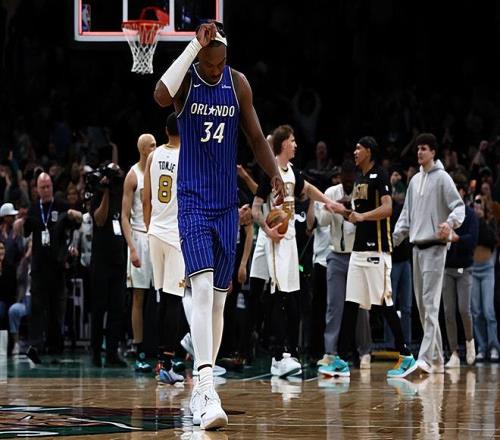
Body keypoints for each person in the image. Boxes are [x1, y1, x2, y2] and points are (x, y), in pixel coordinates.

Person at [153, 21, 288, 430]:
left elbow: (257, 137)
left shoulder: (238, 83)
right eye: (209, 63)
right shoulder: (188, 79)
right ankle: (206, 384)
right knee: (202, 285)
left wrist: (274, 174)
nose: (215, 70)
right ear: (199, 58)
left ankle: (202, 388)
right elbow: (160, 95)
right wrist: (193, 46)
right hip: (192, 201)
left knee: (217, 300)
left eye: (220, 63)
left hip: (226, 205)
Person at [251, 125, 345, 378]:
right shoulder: (270, 172)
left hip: (291, 237)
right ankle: (277, 356)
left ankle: (289, 353)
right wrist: (267, 230)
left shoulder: (292, 172)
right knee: (279, 296)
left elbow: (308, 189)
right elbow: (256, 209)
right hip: (276, 239)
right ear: (283, 144)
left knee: (292, 296)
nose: (295, 145)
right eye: (292, 141)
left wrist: (328, 202)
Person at [337, 137, 415, 378]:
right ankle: (340, 360)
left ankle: (406, 355)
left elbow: (387, 208)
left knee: (384, 303)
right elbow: (358, 213)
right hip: (358, 250)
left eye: (358, 148)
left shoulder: (380, 175)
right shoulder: (359, 178)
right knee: (350, 303)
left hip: (377, 250)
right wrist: (344, 211)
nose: (355, 151)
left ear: (369, 151)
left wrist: (361, 217)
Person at [393, 133, 465, 374]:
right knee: (423, 308)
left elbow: (459, 207)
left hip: (435, 247)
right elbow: (406, 215)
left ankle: (424, 358)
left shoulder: (443, 178)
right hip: (416, 248)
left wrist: (450, 223)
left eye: (424, 148)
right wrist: (394, 239)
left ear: (433, 152)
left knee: (431, 304)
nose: (419, 152)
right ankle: (437, 359)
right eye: (418, 149)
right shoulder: (414, 181)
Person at [13, 172, 82, 362]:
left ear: (52, 186)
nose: (46, 190)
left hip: (57, 266)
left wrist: (76, 215)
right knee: (37, 308)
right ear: (37, 189)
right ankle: (36, 346)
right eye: (42, 187)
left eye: (48, 186)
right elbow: (25, 231)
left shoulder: (61, 206)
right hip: (39, 268)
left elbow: (75, 225)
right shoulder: (34, 209)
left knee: (56, 309)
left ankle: (56, 345)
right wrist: (20, 223)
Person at [315, 159, 372, 376]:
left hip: (358, 256)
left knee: (361, 308)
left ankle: (364, 352)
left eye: (351, 179)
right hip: (336, 256)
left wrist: (347, 209)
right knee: (334, 306)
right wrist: (332, 208)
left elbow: (364, 222)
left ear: (356, 177)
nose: (348, 183)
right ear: (340, 177)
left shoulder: (362, 192)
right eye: (345, 179)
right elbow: (321, 221)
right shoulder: (331, 192)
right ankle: (330, 352)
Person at [143, 114, 185, 385]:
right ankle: (167, 362)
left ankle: (159, 360)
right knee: (173, 300)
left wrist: (150, 227)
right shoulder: (186, 156)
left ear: (165, 130)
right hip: (174, 235)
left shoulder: (153, 156)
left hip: (155, 232)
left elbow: (145, 198)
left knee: (159, 298)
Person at [121, 133, 156, 372]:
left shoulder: (160, 171)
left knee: (164, 296)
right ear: (143, 149)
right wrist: (132, 248)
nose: (155, 148)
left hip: (157, 235)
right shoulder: (133, 175)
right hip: (139, 237)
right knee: (138, 297)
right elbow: (124, 216)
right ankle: (139, 349)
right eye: (152, 145)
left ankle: (164, 349)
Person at [88, 162, 127, 368]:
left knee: (117, 309)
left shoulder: (121, 195)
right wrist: (104, 192)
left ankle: (112, 352)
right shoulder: (97, 194)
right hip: (101, 261)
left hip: (118, 260)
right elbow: (100, 220)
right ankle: (95, 350)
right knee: (99, 307)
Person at [442, 176, 478, 368]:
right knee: (448, 312)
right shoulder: (445, 214)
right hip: (447, 268)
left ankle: (470, 342)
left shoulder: (471, 215)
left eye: (457, 190)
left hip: (465, 267)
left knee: (464, 309)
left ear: (463, 192)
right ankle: (453, 353)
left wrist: (457, 239)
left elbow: (472, 240)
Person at [471, 194, 500, 362]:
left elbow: (490, 240)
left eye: (480, 204)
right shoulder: (471, 222)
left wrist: (481, 220)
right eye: (475, 204)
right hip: (473, 270)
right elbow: (472, 240)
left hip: (488, 269)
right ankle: (481, 347)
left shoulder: (491, 222)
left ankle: (494, 346)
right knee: (476, 312)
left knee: (489, 311)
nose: (477, 208)